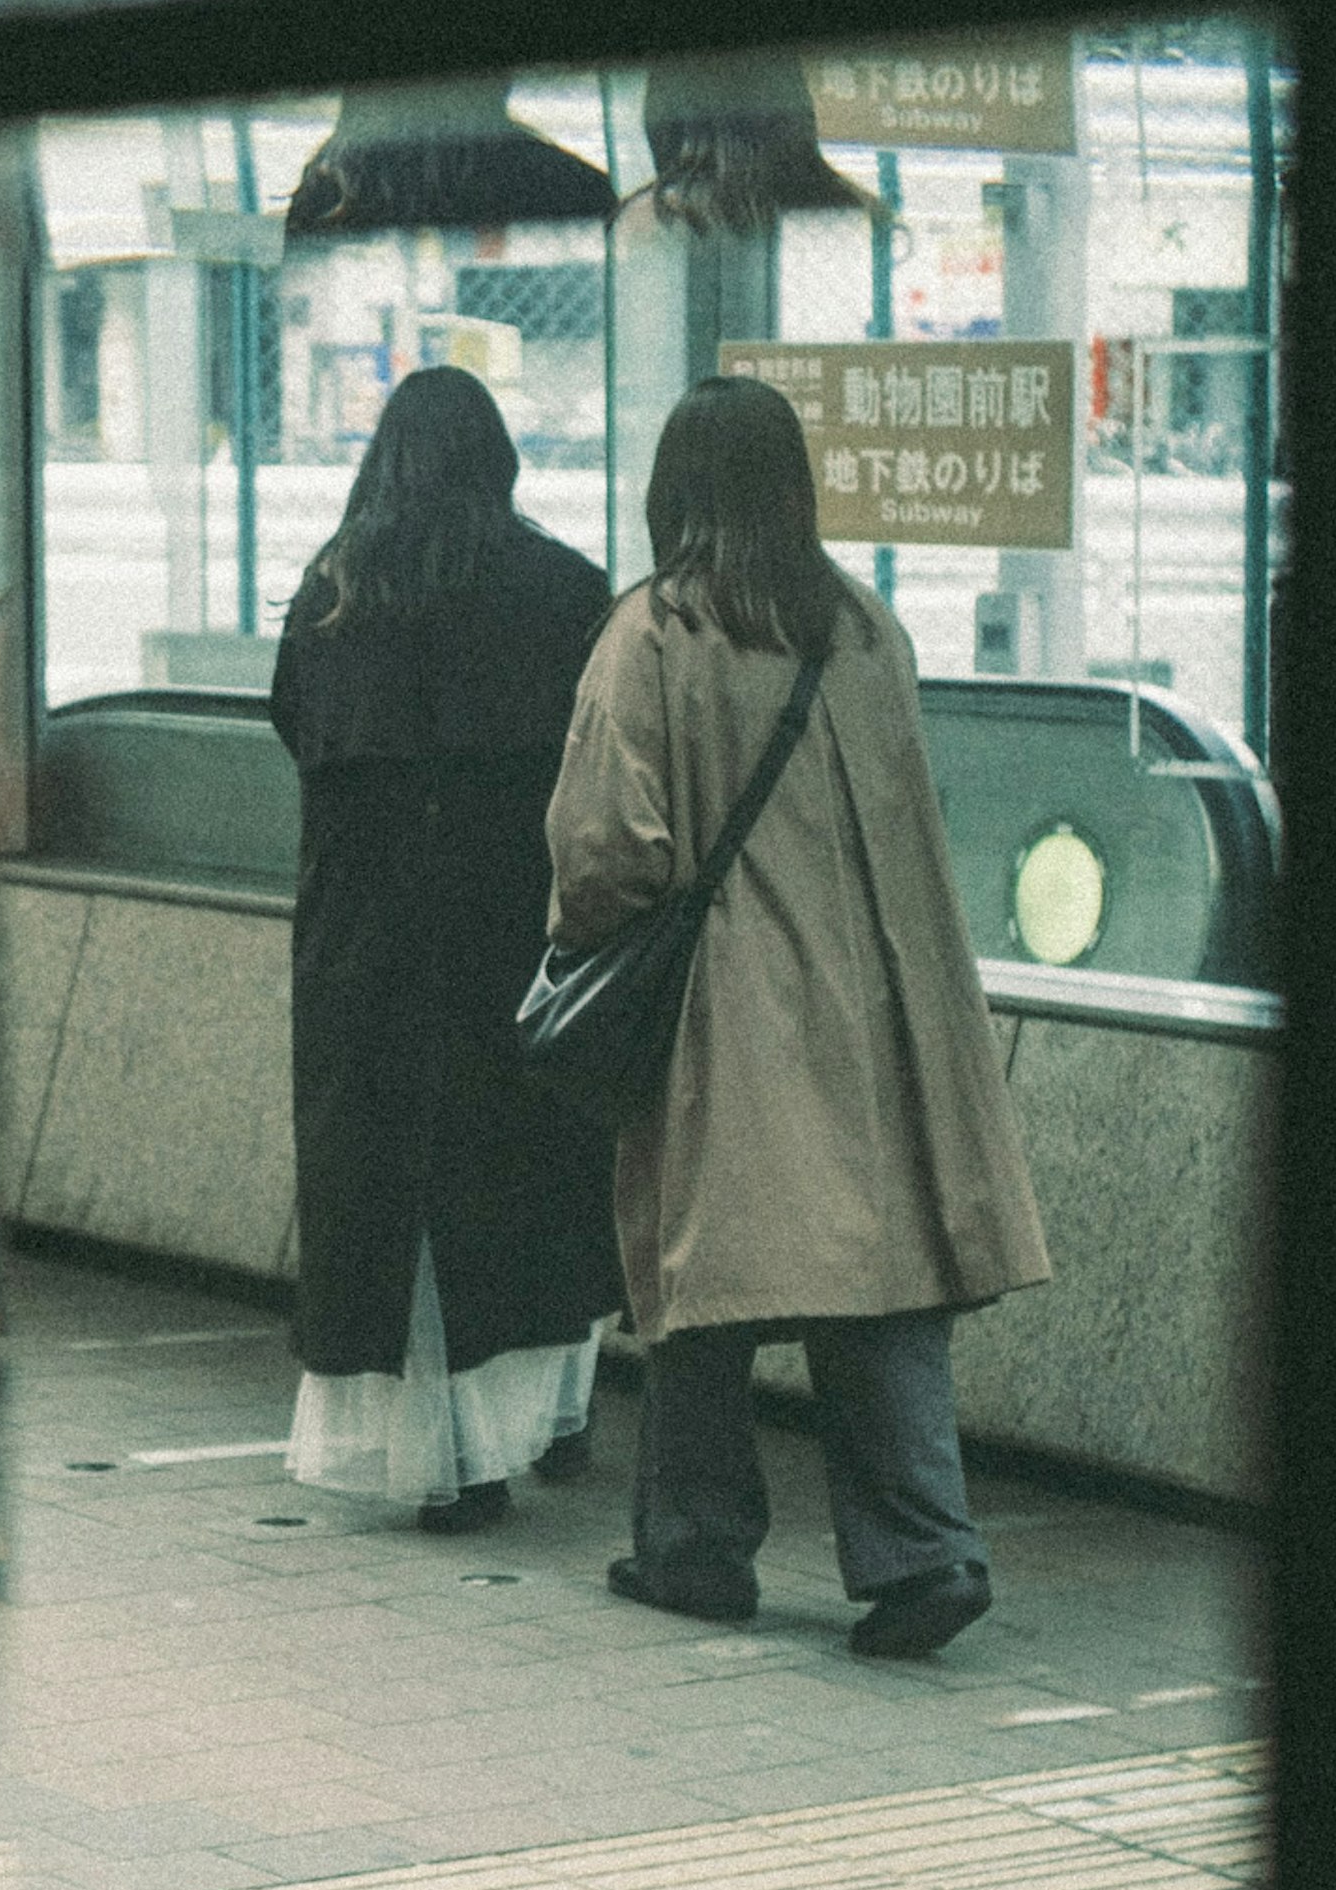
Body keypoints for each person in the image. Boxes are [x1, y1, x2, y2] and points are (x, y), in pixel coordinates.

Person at [545, 375, 1051, 1656]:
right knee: (878, 1289)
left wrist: (589, 935)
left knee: (701, 1284)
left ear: (676, 487)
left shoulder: (654, 632)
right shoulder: (865, 627)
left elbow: (607, 847)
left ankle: (696, 1552)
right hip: (883, 1017)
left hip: (734, 1014)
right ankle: (925, 1555)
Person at [269, 368, 629, 1531]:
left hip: (362, 947)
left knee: (393, 1203)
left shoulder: (333, 593)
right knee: (523, 1178)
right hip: (509, 935)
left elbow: (296, 729)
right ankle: (552, 1421)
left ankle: (453, 1460)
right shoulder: (567, 590)